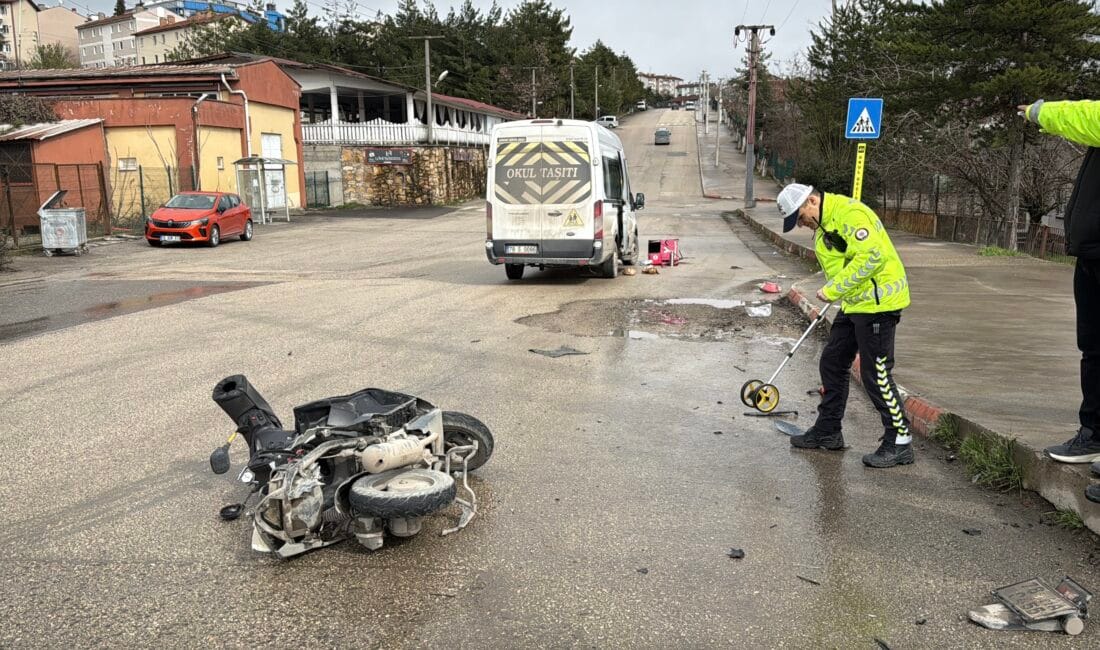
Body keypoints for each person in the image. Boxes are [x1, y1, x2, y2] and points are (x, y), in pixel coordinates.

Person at [775, 183, 914, 467]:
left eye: (800, 218)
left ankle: (900, 440)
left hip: (879, 302)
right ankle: (828, 431)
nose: (801, 225)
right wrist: (838, 288)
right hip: (855, 303)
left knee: (876, 373)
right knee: (833, 361)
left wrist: (833, 289)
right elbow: (841, 265)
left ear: (812, 201)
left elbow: (872, 256)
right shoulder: (824, 227)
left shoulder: (851, 214)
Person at [1018, 99, 1100, 502]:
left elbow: (1089, 117)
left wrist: (1040, 112)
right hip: (1091, 252)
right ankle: (1094, 434)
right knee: (1094, 348)